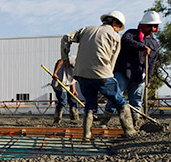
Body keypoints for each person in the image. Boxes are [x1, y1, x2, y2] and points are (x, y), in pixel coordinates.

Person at [61, 10, 136, 141]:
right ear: (114, 22)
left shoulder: (86, 29)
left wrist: (65, 58)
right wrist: (108, 78)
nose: (118, 30)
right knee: (120, 101)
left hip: (81, 74)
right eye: (119, 27)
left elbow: (66, 38)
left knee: (90, 104)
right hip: (101, 73)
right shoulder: (115, 36)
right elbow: (112, 61)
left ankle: (86, 135)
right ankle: (130, 131)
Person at [101, 11, 162, 127]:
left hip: (139, 76)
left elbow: (152, 62)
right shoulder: (131, 34)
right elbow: (125, 42)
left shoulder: (155, 44)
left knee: (136, 101)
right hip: (123, 72)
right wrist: (142, 47)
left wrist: (148, 79)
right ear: (144, 25)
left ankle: (136, 124)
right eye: (150, 26)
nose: (152, 28)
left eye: (155, 26)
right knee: (115, 96)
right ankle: (104, 121)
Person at [51, 56, 79, 124]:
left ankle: (74, 118)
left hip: (69, 84)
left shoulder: (78, 68)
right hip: (59, 83)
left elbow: (73, 80)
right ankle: (57, 119)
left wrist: (74, 90)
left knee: (73, 100)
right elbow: (60, 61)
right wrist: (55, 73)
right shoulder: (72, 60)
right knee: (63, 101)